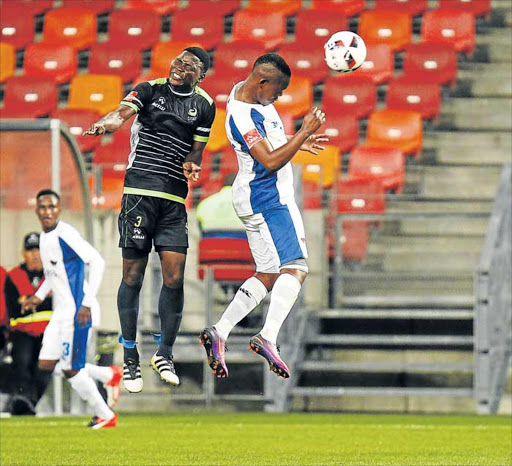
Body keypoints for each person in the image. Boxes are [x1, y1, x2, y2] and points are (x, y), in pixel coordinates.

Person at [82, 47, 216, 393]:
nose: (179, 65)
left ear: (199, 76)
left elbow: (195, 151)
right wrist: (106, 123)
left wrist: (192, 164)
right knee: (132, 275)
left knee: (174, 278)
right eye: (178, 59)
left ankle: (164, 354)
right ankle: (129, 357)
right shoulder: (149, 89)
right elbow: (123, 113)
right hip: (139, 193)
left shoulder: (205, 106)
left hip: (174, 202)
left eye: (189, 65)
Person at [199, 54, 327, 379]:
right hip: (268, 199)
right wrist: (302, 132)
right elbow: (268, 161)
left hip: (257, 195)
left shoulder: (246, 91)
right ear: (262, 83)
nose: (280, 97)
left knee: (269, 274)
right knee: (296, 267)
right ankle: (267, 336)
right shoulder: (241, 115)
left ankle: (220, 331)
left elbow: (269, 144)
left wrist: (295, 142)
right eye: (278, 90)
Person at [23, 190, 121, 429]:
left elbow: (97, 261)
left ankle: (105, 414)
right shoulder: (45, 239)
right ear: (37, 210)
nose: (47, 212)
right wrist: (37, 296)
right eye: (43, 207)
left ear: (59, 209)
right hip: (61, 313)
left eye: (52, 207)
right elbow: (51, 275)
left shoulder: (65, 234)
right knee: (46, 363)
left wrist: (86, 302)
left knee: (71, 369)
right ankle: (108, 375)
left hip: (78, 312)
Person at [4, 232, 53, 415]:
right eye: (30, 250)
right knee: (22, 364)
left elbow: (56, 303)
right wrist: (43, 300)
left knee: (43, 368)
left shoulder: (53, 275)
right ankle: (23, 400)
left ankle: (28, 402)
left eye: (38, 249)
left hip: (49, 332)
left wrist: (28, 301)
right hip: (22, 332)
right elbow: (14, 308)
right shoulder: (14, 276)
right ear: (23, 253)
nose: (34, 254)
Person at [196, 173, 245, 238]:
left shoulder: (205, 203)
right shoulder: (249, 203)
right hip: (241, 243)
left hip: (211, 243)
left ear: (222, 184)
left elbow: (200, 229)